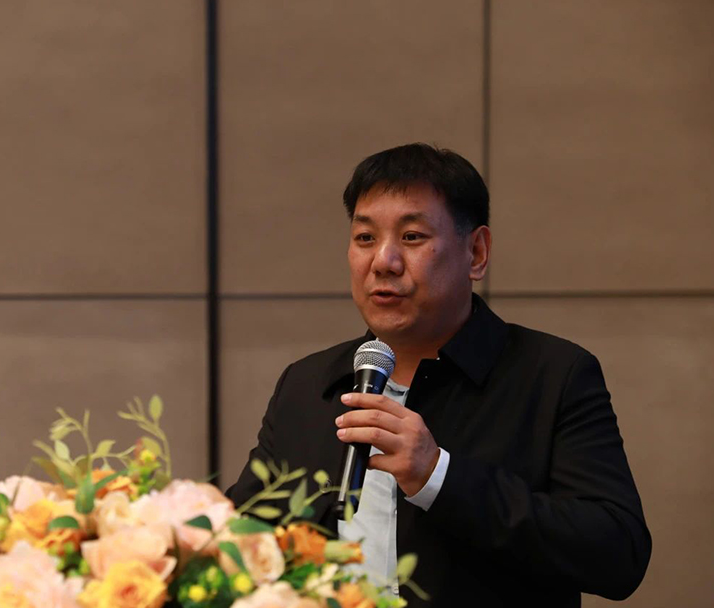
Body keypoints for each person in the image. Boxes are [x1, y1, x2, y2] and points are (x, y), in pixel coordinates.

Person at [225, 143, 651, 607]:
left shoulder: (553, 375)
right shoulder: (307, 385)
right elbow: (242, 538)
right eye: (365, 238)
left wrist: (438, 476)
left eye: (411, 237)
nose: (383, 261)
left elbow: (618, 554)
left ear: (476, 252)